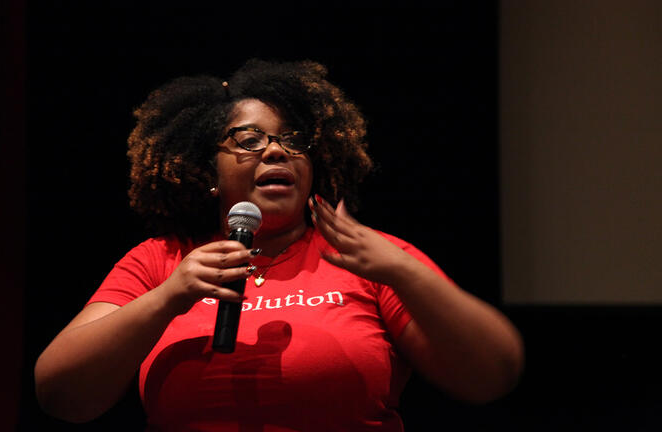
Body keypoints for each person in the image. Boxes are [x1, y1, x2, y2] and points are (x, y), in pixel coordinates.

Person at [34, 59, 524, 431]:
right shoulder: (161, 260)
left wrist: (403, 271)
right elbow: (59, 394)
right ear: (208, 171)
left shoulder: (368, 256)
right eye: (248, 140)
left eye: (293, 140)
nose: (274, 150)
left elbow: (491, 376)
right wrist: (168, 297)